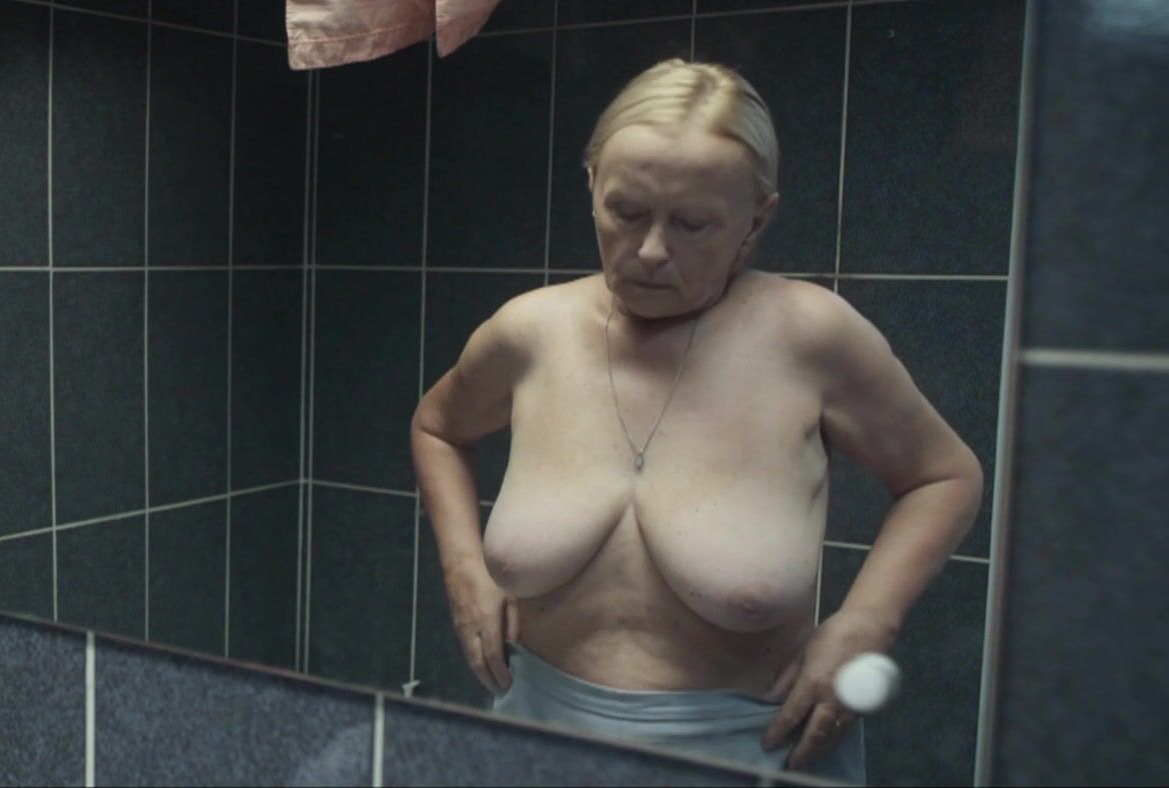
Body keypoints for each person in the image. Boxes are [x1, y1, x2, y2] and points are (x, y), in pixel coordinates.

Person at [409, 59, 984, 784]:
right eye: (626, 212)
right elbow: (437, 426)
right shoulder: (530, 332)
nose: (651, 251)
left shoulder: (810, 337)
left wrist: (868, 621)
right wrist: (464, 569)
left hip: (749, 751)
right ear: (591, 187)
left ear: (755, 220)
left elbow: (945, 475)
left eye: (692, 224)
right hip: (535, 741)